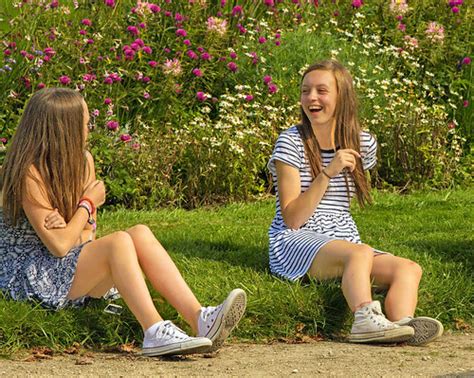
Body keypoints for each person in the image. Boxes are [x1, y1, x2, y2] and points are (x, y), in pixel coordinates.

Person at [0, 88, 247, 356]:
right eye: (85, 123)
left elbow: (86, 235)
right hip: (29, 277)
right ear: (65, 129)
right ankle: (153, 330)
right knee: (118, 242)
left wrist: (74, 226)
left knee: (138, 233)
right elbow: (60, 247)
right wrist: (87, 203)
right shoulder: (29, 174)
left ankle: (200, 318)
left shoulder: (83, 161)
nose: (89, 129)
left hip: (61, 267)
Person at [267, 60, 443, 345]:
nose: (311, 98)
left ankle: (401, 325)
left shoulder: (363, 143)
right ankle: (364, 320)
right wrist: (327, 172)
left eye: (321, 90)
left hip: (342, 238)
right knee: (359, 253)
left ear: (342, 96)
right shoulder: (291, 142)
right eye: (306, 91)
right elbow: (292, 218)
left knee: (408, 268)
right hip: (294, 240)